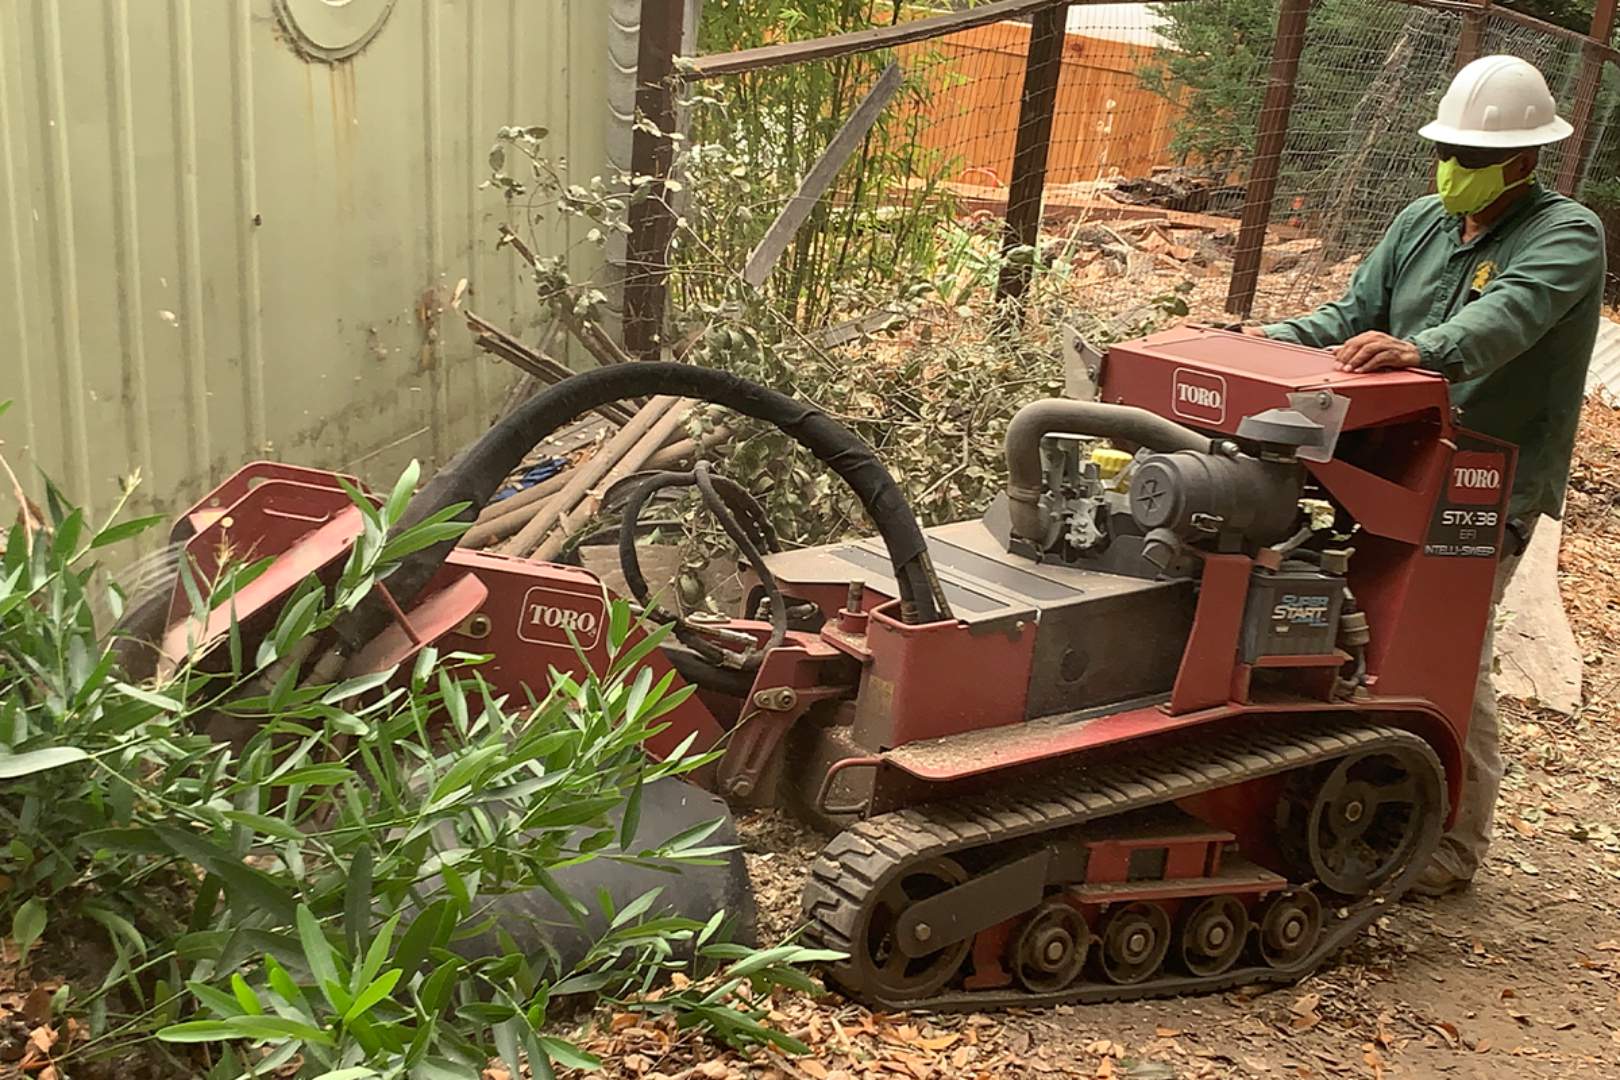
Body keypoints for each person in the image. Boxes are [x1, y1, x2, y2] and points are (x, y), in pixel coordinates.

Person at [1244, 55, 1606, 897]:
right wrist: (1265, 340)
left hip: (1484, 483)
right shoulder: (1419, 223)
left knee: (1446, 651)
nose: (1455, 170)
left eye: (1473, 159)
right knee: (1342, 620)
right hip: (1381, 462)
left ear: (1522, 161)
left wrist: (1423, 349)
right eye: (1448, 150)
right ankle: (1346, 797)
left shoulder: (1566, 235)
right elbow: (1349, 318)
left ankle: (1450, 848)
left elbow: (1506, 315)